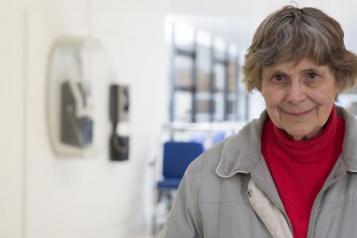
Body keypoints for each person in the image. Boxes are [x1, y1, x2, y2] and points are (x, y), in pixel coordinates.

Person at [158, 5, 357, 238]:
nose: (295, 96)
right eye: (279, 77)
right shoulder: (205, 176)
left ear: (338, 79)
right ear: (260, 84)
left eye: (311, 76)